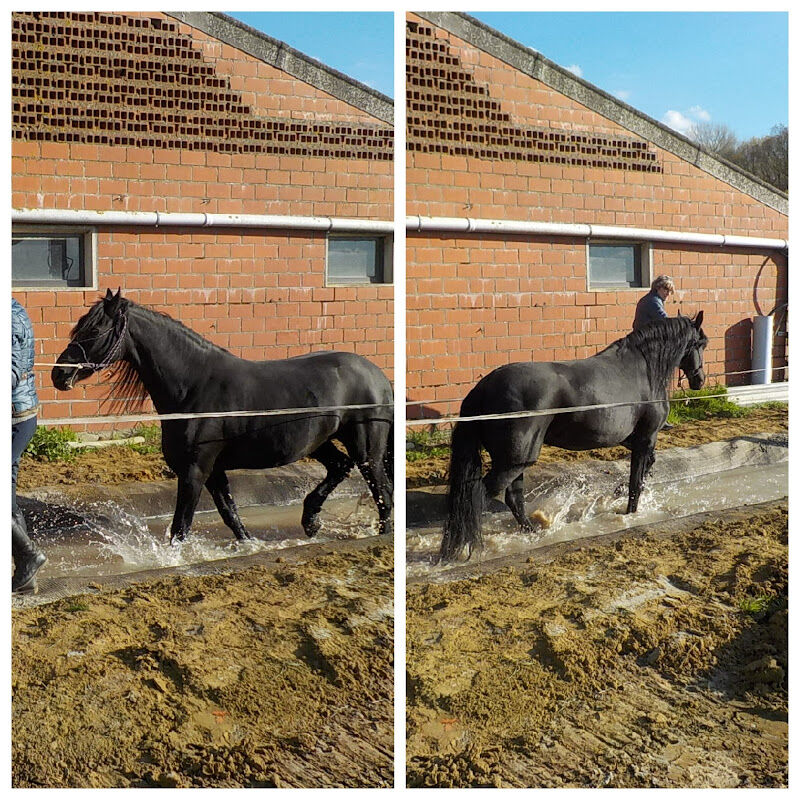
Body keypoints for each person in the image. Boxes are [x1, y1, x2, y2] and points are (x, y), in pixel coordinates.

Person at [12, 297, 46, 593]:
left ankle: (28, 556)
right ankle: (26, 572)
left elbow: (9, 372)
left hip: (15, 417)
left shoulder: (9, 317)